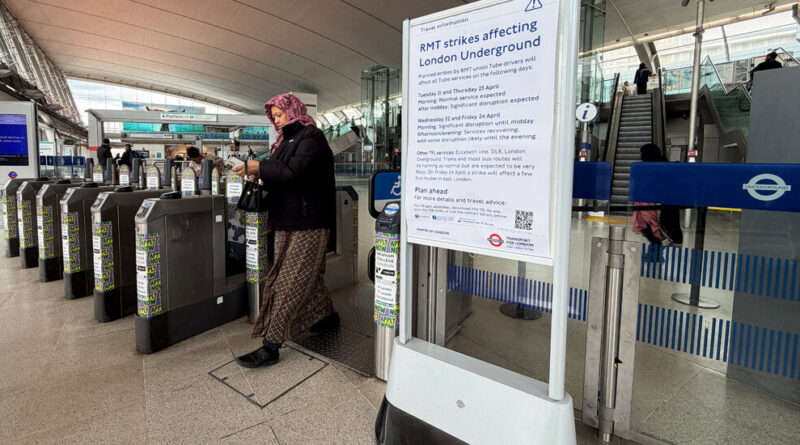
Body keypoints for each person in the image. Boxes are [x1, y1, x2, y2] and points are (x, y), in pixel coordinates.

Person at [232, 93, 337, 368]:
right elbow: (281, 176)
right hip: (284, 220)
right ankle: (327, 317)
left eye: (279, 115)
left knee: (288, 281)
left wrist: (261, 166)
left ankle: (271, 345)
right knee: (304, 276)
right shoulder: (281, 143)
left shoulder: (312, 137)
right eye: (274, 117)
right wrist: (259, 174)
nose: (276, 121)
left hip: (310, 222)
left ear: (293, 111)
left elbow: (296, 173)